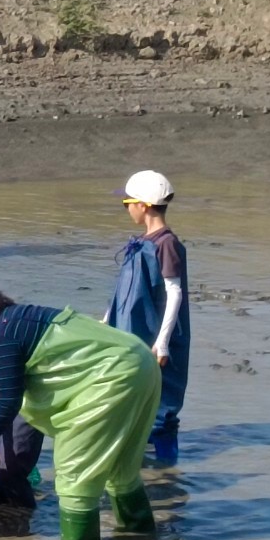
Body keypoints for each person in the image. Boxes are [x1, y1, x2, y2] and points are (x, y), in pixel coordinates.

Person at [0, 269, 160, 540]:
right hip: (141, 361)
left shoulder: (2, 337)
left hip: (111, 379)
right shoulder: (21, 316)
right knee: (121, 473)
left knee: (74, 483)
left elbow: (6, 405)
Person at [106, 170, 190, 465]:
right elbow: (123, 290)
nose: (126, 209)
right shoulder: (142, 242)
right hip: (132, 330)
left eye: (127, 202)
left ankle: (166, 470)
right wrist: (107, 320)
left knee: (163, 404)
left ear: (142, 205)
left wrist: (163, 342)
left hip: (156, 334)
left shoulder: (166, 244)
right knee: (131, 398)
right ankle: (139, 463)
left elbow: (175, 292)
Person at [0, 339, 44, 509]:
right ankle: (8, 523)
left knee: (8, 473)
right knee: (3, 471)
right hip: (20, 401)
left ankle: (21, 525)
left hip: (27, 403)